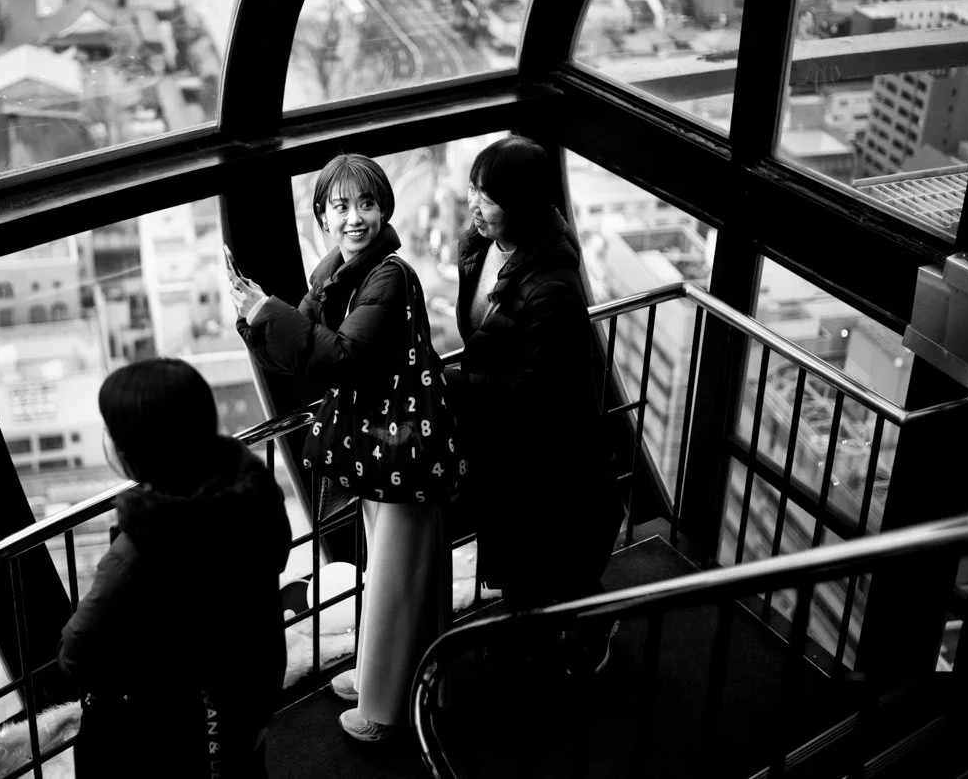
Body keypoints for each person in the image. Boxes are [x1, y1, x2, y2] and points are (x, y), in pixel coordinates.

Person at [230, 153, 449, 741]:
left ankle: (383, 709)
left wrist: (263, 311)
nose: (356, 218)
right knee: (389, 570)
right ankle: (388, 675)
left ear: (385, 208)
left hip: (402, 448)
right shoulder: (341, 270)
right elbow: (301, 349)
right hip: (391, 447)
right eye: (341, 206)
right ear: (322, 216)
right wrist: (256, 317)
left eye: (368, 204)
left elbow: (339, 360)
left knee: (399, 577)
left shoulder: (388, 275)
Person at [58, 359, 292, 778]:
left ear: (133, 452)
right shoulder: (255, 500)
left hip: (178, 722)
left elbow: (78, 650)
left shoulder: (139, 550)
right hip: (253, 685)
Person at [451, 135, 625, 674]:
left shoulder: (551, 287)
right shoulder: (484, 247)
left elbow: (537, 395)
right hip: (506, 444)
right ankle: (538, 634)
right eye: (475, 190)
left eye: (489, 197)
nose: (475, 205)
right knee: (526, 558)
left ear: (522, 204)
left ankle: (588, 631)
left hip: (546, 454)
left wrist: (461, 383)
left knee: (549, 561)